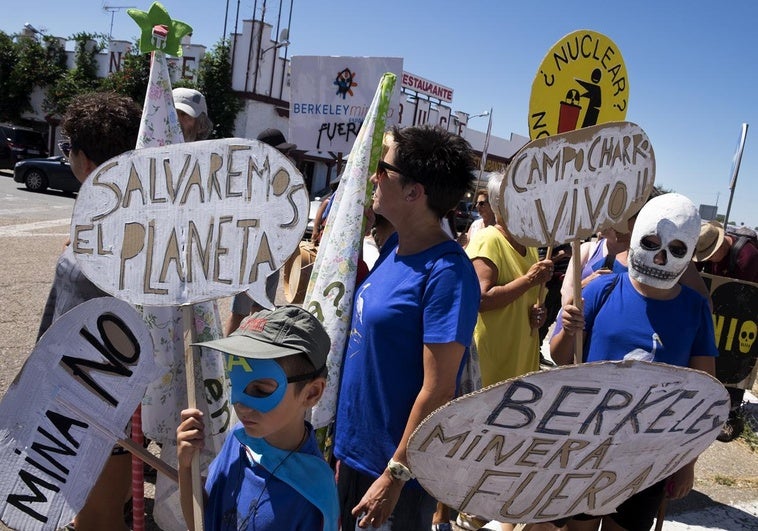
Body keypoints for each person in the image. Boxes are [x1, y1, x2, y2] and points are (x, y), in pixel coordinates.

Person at [334, 125, 480, 530]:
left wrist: (394, 475)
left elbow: (439, 389)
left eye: (383, 169)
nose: (373, 178)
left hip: (393, 475)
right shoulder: (393, 249)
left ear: (415, 192)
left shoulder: (447, 273)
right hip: (354, 454)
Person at [551, 193, 718, 531]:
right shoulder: (601, 289)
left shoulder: (695, 309)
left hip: (648, 455)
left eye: (675, 249)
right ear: (638, 234)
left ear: (689, 253)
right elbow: (559, 358)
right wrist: (568, 330)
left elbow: (704, 396)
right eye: (651, 242)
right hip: (587, 446)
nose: (659, 257)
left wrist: (687, 461)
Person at [37, 91, 141, 531]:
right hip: (83, 392)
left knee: (96, 518)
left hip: (97, 398)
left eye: (67, 150)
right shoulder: (115, 216)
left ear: (83, 158)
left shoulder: (122, 226)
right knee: (84, 512)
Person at [177, 305, 339, 530]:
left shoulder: (314, 494)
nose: (239, 404)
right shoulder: (238, 440)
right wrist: (186, 467)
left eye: (261, 391)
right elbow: (201, 522)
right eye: (234, 383)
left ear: (311, 393)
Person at [466, 172, 554, 387]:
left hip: (522, 351)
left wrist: (539, 314)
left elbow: (529, 301)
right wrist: (529, 280)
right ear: (501, 203)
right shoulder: (488, 239)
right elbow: (481, 299)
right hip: (494, 355)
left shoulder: (530, 244)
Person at [224, 128, 298, 336]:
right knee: (240, 311)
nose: (287, 156)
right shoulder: (251, 178)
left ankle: (250, 352)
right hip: (251, 253)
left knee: (262, 311)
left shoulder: (281, 178)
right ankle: (225, 357)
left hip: (273, 250)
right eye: (282, 152)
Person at [694, 220, 758, 442]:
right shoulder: (708, 254)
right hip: (717, 316)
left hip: (742, 321)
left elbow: (747, 297)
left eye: (709, 255)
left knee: (736, 363)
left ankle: (730, 414)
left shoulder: (748, 257)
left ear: (721, 246)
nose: (707, 260)